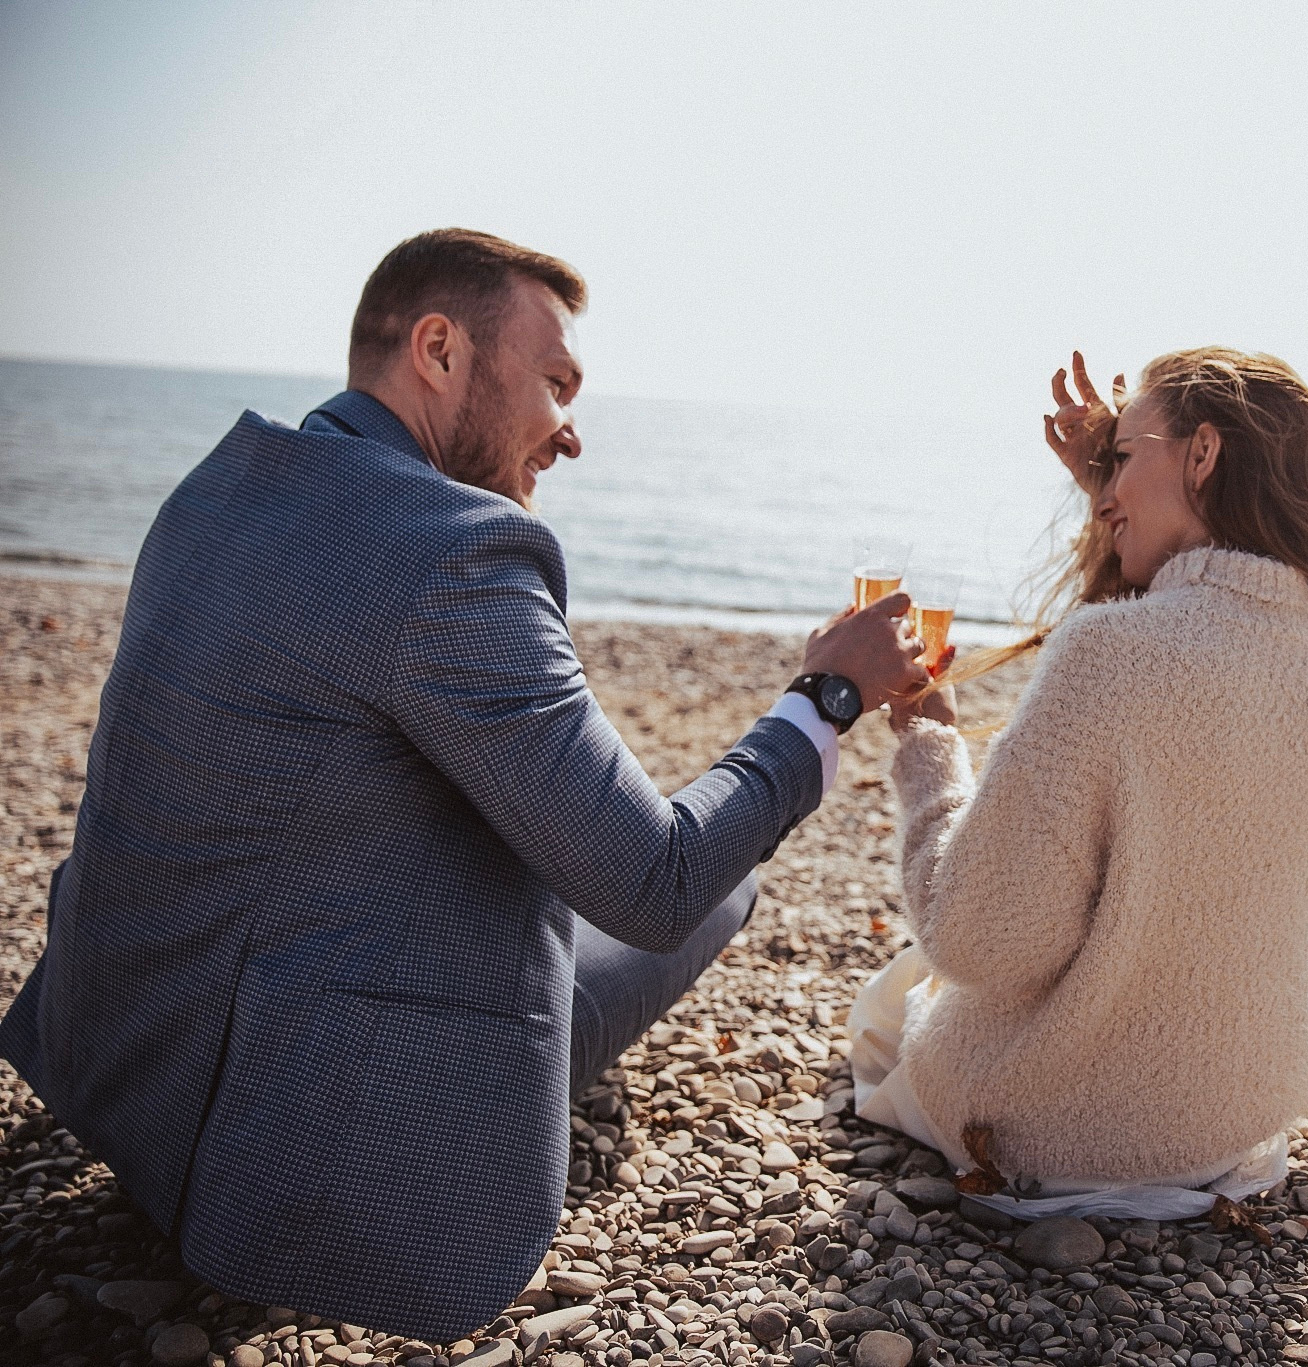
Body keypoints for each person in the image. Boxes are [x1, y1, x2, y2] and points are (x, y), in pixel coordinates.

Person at [0, 229, 928, 1339]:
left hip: (114, 1063)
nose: (571, 431)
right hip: (258, 1162)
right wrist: (821, 699)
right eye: (555, 383)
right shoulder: (452, 548)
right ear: (438, 349)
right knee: (715, 887)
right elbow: (656, 879)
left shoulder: (223, 484)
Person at [848, 348, 1308, 1218]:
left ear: (1203, 453)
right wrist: (1119, 484)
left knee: (895, 998)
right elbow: (1165, 643)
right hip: (1237, 1113)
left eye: (1123, 457)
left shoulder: (1110, 657)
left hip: (1063, 1128)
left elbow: (977, 935)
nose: (1102, 492)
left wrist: (927, 739)